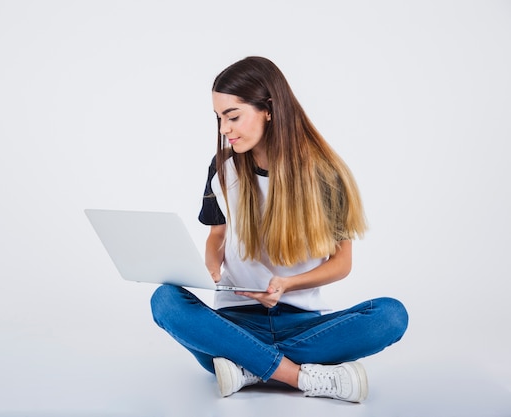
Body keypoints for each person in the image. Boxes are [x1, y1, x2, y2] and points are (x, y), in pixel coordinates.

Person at [150, 56, 408, 403]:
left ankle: (248, 366)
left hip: (301, 322)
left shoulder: (324, 174)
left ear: (268, 109)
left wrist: (286, 284)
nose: (224, 129)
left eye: (233, 116)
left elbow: (342, 262)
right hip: (234, 322)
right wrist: (211, 266)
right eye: (219, 118)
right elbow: (217, 235)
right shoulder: (222, 168)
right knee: (165, 301)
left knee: (390, 316)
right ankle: (300, 376)